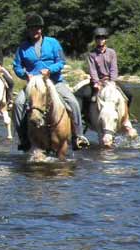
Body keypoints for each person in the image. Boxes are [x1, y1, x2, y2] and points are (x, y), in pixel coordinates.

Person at [12, 14, 88, 150]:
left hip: (54, 81)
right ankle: (23, 138)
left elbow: (61, 61)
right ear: (28, 30)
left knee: (73, 102)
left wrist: (50, 70)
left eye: (37, 28)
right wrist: (25, 74)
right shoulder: (22, 47)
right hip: (33, 84)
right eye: (32, 29)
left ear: (41, 29)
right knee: (18, 104)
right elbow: (16, 66)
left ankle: (78, 136)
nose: (35, 31)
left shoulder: (53, 43)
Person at [75, 27, 134, 130]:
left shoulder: (111, 52)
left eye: (102, 37)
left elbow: (114, 68)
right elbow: (92, 70)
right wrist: (96, 83)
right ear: (95, 39)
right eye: (98, 37)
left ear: (106, 39)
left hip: (110, 80)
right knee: (83, 95)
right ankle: (85, 117)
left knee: (129, 94)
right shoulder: (91, 54)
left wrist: (112, 81)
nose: (100, 39)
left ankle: (126, 116)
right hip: (97, 81)